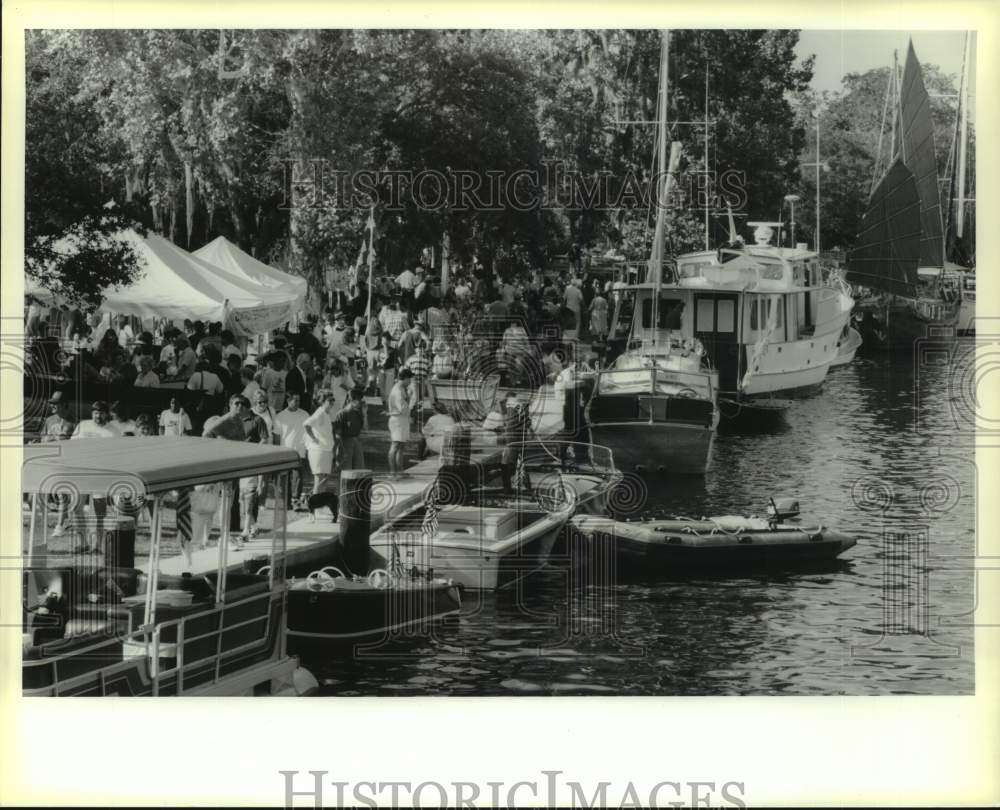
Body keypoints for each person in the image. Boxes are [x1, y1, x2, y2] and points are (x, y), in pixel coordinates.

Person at [274, 392, 310, 509]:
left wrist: (308, 447)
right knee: (285, 477)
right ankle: (286, 502)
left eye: (299, 400)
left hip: (300, 451)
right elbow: (277, 436)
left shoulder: (305, 415)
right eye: (295, 400)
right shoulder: (280, 416)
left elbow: (309, 432)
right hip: (285, 451)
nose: (298, 403)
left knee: (297, 477)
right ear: (288, 401)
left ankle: (295, 501)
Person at [303, 389, 337, 497]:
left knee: (324, 480)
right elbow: (306, 424)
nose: (332, 403)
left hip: (326, 450)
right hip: (318, 450)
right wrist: (314, 438)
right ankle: (314, 508)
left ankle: (319, 505)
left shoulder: (326, 413)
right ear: (323, 401)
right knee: (319, 480)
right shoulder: (320, 413)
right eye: (329, 400)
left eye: (333, 400)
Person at [386, 368, 415, 479]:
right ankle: (392, 472)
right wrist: (411, 404)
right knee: (395, 445)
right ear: (406, 378)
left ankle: (400, 471)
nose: (410, 381)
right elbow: (403, 408)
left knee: (401, 446)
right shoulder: (397, 391)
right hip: (397, 420)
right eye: (410, 379)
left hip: (402, 419)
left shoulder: (402, 388)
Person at [331, 388, 366, 477]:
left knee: (359, 470)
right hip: (345, 442)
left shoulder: (358, 413)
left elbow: (365, 428)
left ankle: (356, 489)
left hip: (356, 441)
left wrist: (365, 414)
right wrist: (341, 450)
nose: (361, 403)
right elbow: (338, 435)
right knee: (346, 471)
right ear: (351, 400)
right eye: (359, 400)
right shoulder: (342, 414)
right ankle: (342, 490)